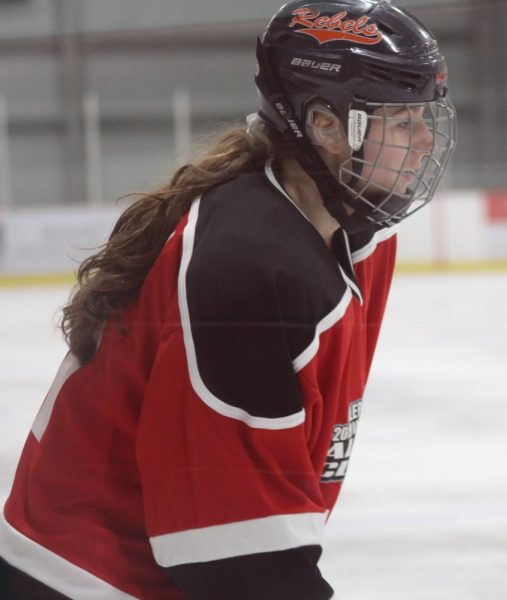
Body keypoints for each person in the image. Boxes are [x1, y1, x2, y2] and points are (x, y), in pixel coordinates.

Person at [0, 0, 456, 597]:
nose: (424, 139)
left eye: (425, 116)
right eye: (400, 120)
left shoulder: (346, 232)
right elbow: (234, 554)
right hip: (86, 582)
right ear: (324, 125)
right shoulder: (251, 267)